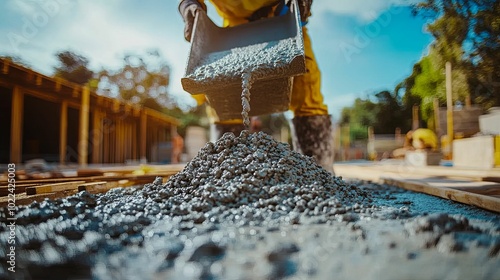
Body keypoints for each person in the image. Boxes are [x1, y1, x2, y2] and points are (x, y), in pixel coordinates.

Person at [178, 0, 334, 173]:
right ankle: (228, 174)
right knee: (224, 96)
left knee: (306, 89)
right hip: (234, 31)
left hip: (283, 19)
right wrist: (189, 6)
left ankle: (319, 174)